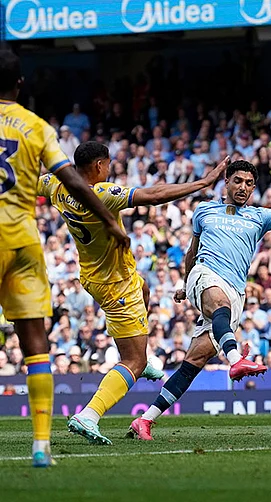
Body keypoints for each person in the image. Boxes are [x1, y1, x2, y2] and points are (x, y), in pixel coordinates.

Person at [127, 165, 271, 440]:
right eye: (238, 181)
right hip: (206, 274)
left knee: (194, 361)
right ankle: (235, 359)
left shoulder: (259, 217)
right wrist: (187, 285)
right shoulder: (204, 210)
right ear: (226, 182)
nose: (243, 187)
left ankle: (144, 419)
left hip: (236, 291)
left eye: (249, 183)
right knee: (219, 305)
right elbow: (192, 251)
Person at [40, 143, 228, 445]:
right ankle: (89, 414)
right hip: (115, 283)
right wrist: (204, 183)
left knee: (145, 287)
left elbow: (32, 180)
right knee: (132, 361)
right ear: (99, 166)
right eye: (108, 164)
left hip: (95, 273)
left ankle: (144, 358)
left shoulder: (56, 184)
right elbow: (153, 196)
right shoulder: (100, 193)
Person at [0, 51, 128, 467]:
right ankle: (40, 446)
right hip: (20, 240)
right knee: (35, 343)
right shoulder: (36, 127)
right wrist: (108, 217)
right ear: (19, 83)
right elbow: (68, 177)